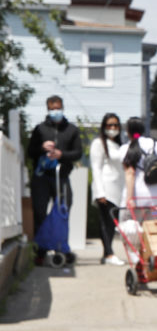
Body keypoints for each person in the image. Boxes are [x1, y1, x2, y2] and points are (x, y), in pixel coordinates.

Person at [27, 95, 83, 258]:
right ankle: (41, 250)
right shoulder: (40, 129)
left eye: (57, 108)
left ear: (63, 108)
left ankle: (61, 246)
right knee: (39, 211)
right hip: (42, 177)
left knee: (62, 211)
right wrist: (42, 147)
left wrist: (61, 154)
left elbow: (77, 153)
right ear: (47, 110)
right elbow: (31, 152)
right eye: (52, 109)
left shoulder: (71, 130)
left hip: (62, 176)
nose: (55, 112)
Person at [89, 113, 126, 265]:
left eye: (115, 125)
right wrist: (100, 192)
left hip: (118, 188)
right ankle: (109, 253)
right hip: (106, 187)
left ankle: (107, 253)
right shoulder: (98, 143)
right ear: (104, 127)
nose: (112, 128)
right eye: (109, 125)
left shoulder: (118, 145)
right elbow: (96, 168)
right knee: (106, 221)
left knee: (112, 222)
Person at [119, 117, 157, 205]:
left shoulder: (125, 149)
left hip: (138, 198)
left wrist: (130, 198)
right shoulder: (156, 145)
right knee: (155, 218)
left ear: (128, 131)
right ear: (142, 129)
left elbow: (130, 173)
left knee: (128, 219)